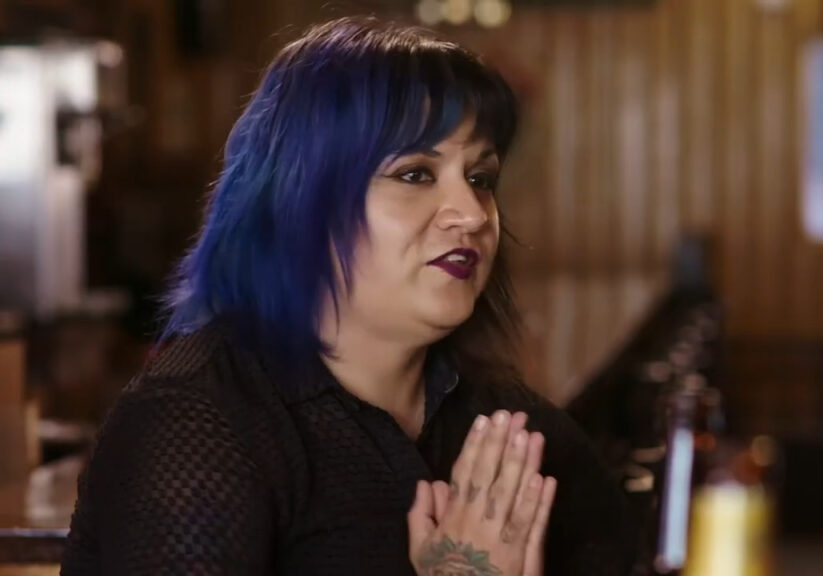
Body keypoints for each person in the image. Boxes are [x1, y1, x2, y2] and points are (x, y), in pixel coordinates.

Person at [60, 16, 637, 576]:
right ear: (298, 202)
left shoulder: (505, 424)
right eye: (415, 173)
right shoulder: (194, 424)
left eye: (480, 178)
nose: (471, 214)